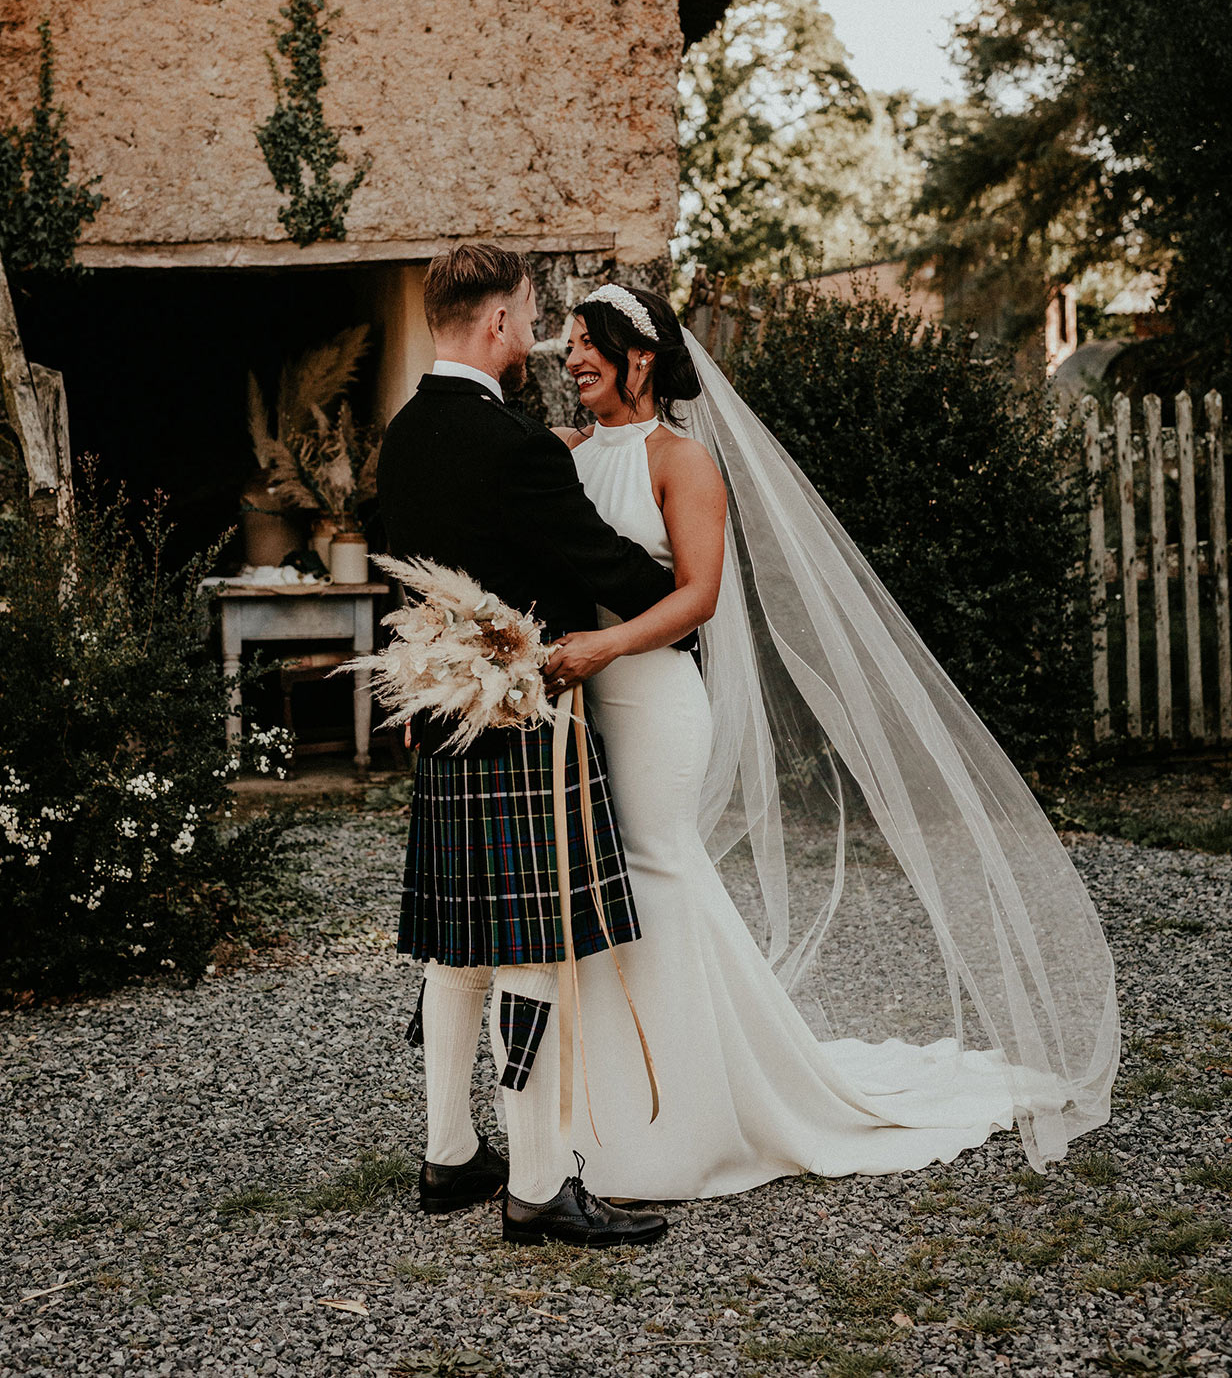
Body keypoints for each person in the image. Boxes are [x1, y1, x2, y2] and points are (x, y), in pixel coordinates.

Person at [543, 283, 1119, 1198]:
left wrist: (607, 644)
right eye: (566, 343)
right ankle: (606, 1102)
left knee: (658, 872)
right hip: (577, 700)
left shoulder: (682, 463)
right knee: (603, 884)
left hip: (650, 695)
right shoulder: (565, 455)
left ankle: (695, 1111)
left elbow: (699, 595)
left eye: (584, 344)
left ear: (639, 359)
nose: (568, 358)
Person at [377, 245, 684, 1247]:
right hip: (525, 723)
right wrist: (674, 568)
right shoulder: (512, 445)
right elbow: (617, 577)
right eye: (528, 315)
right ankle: (541, 1184)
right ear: (503, 320)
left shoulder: (405, 435)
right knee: (533, 951)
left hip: (440, 716)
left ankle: (450, 1154)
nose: (537, 334)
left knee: (455, 948)